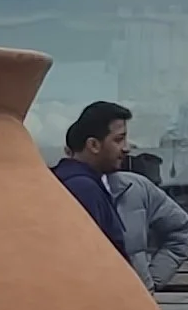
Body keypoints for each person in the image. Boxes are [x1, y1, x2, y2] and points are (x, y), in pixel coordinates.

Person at [51, 101, 134, 253]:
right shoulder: (82, 189)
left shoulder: (73, 182)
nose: (126, 148)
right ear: (93, 145)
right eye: (118, 139)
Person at [110, 154, 188, 289]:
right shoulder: (68, 188)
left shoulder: (136, 187)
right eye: (118, 139)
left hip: (135, 298)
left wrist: (151, 281)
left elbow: (180, 229)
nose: (125, 148)